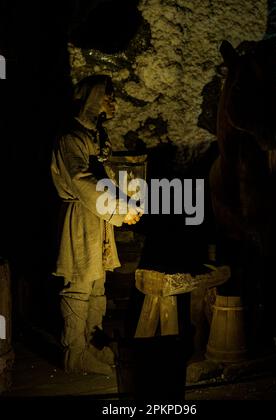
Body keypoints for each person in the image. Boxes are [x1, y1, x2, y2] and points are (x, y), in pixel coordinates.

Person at [51, 75, 142, 375]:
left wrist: (128, 200)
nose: (112, 102)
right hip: (81, 216)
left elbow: (103, 178)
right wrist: (119, 210)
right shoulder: (71, 138)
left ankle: (92, 344)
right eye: (107, 96)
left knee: (97, 285)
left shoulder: (94, 138)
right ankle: (74, 354)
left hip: (98, 216)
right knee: (79, 285)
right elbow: (82, 181)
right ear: (92, 99)